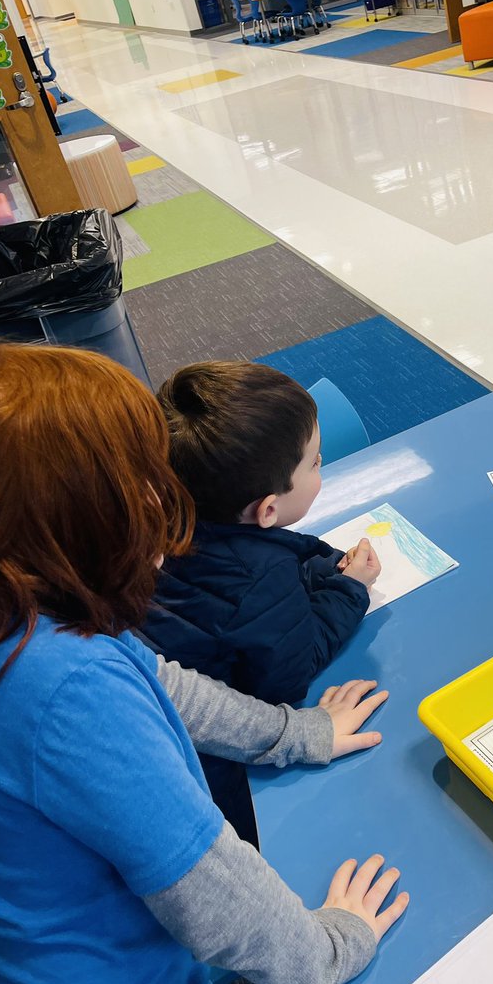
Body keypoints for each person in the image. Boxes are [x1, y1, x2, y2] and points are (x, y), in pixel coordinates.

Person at [0, 344, 408, 984]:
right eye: (143, 481)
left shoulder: (28, 617)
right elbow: (212, 893)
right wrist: (330, 945)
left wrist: (299, 732)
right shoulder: (65, 689)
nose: (168, 500)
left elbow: (168, 684)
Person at [142, 360, 381, 841]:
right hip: (219, 773)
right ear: (268, 509)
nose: (321, 468)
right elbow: (291, 671)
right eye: (314, 462)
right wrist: (349, 588)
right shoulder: (257, 578)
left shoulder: (167, 516)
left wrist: (315, 567)